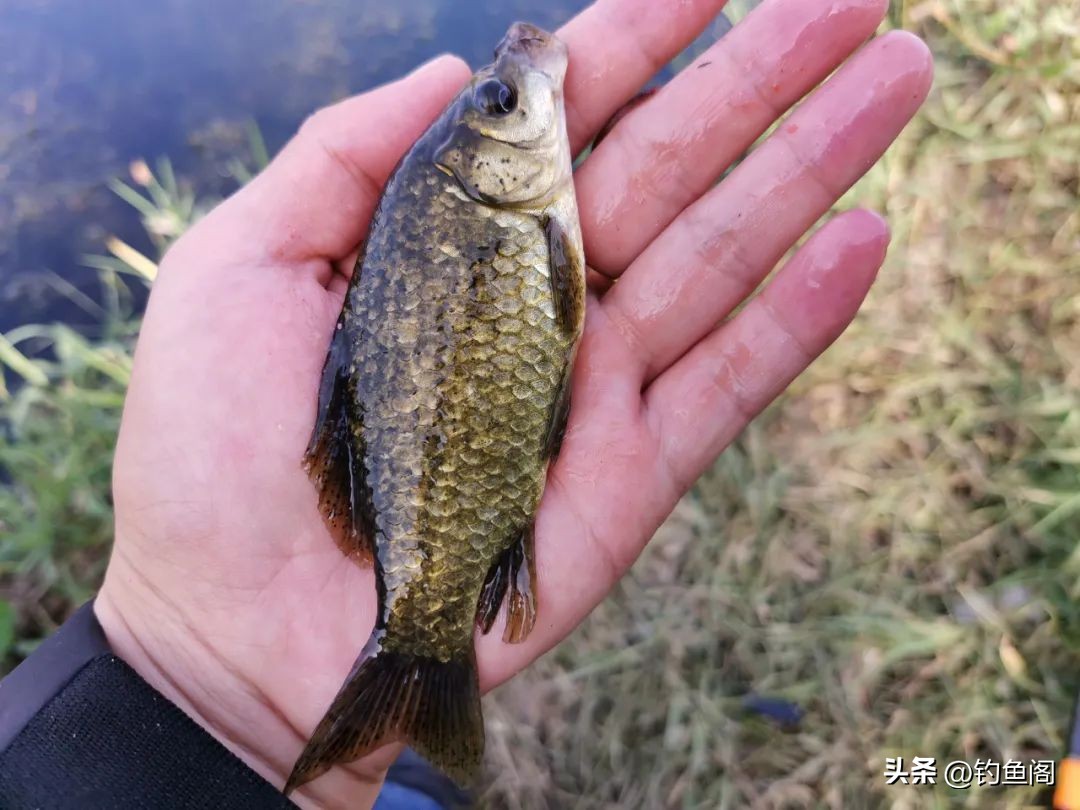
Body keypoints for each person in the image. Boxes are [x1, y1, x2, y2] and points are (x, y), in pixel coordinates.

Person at [0, 0, 932, 807]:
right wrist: (194, 683)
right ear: (478, 168)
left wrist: (179, 708)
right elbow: (558, 296)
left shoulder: (494, 205)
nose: (519, 88)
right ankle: (415, 707)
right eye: (501, 102)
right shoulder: (492, 208)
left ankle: (400, 752)